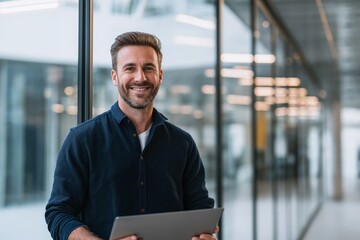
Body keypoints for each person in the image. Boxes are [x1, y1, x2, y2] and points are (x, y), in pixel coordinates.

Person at [45, 31, 218, 240]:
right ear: (115, 77)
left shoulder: (183, 143)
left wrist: (204, 233)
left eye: (148, 68)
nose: (140, 77)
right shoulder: (82, 140)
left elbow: (199, 207)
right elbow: (59, 213)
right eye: (130, 68)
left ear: (160, 75)